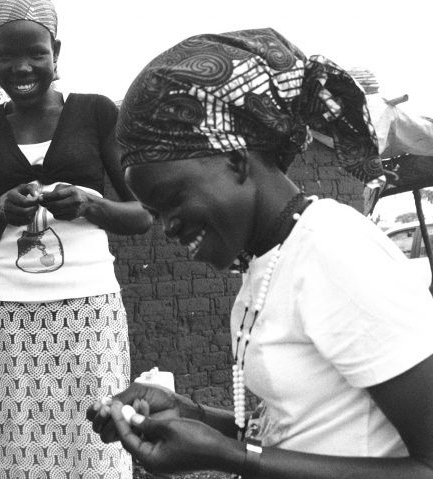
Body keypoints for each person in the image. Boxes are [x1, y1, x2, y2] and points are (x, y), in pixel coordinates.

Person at [87, 28, 433, 478]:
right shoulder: (269, 260)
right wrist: (190, 414)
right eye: (154, 212)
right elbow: (300, 431)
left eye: (172, 199)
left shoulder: (332, 247)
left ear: (235, 160)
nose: (167, 225)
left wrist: (227, 457)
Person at [0, 1, 152, 477]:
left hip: (90, 313)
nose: (22, 67)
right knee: (21, 448)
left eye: (36, 53)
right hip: (13, 317)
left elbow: (142, 215)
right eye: (7, 55)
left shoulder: (97, 113)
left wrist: (91, 206)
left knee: (96, 446)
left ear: (55, 51)